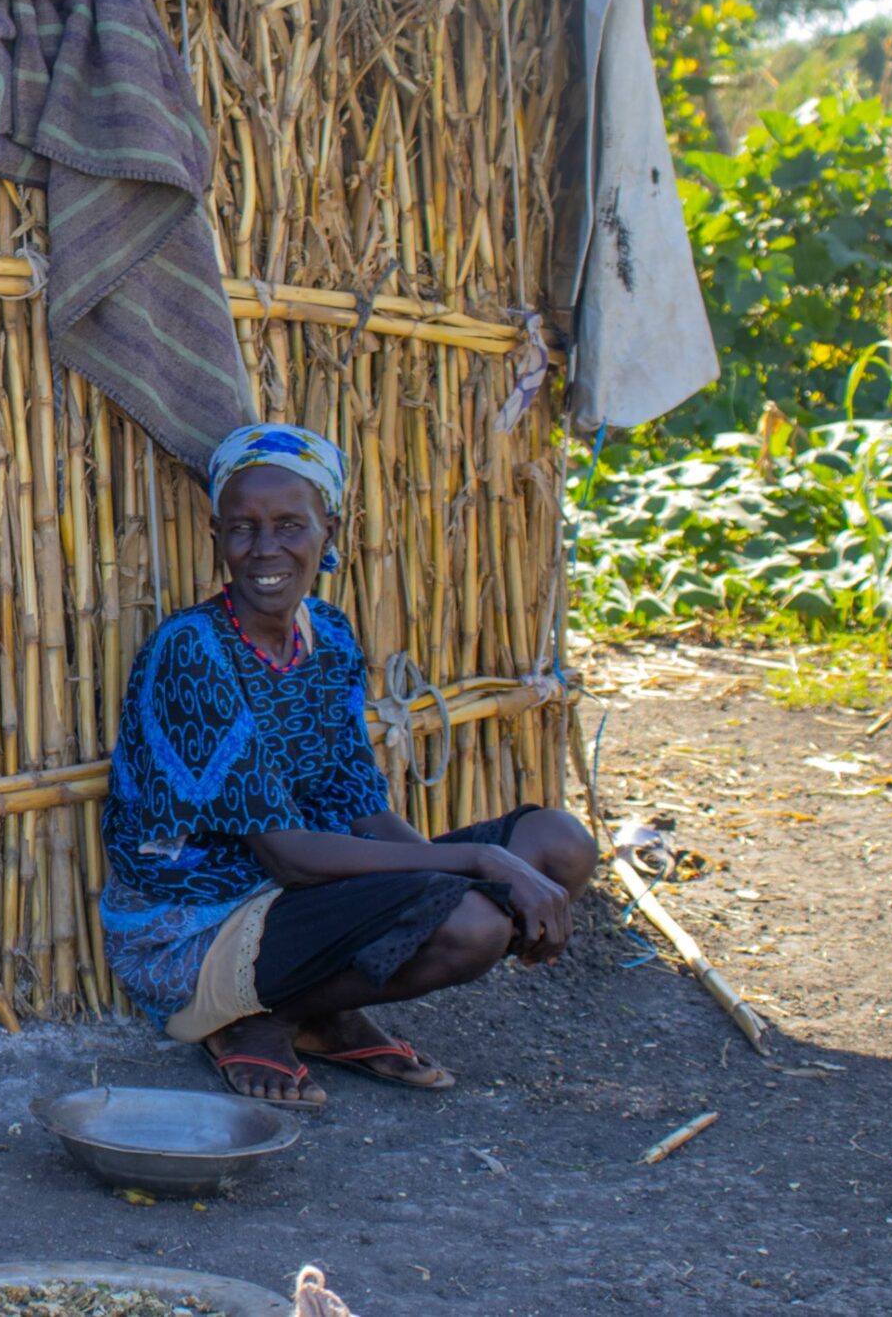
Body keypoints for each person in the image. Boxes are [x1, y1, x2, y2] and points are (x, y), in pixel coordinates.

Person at [98, 423, 596, 1110]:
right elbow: (289, 856)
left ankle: (320, 1012)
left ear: (329, 529)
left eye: (289, 525)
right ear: (216, 536)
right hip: (199, 928)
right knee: (475, 923)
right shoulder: (192, 652)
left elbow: (358, 802)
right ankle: (264, 1018)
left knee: (558, 845)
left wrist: (447, 884)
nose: (264, 548)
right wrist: (476, 868)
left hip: (301, 905)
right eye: (242, 528)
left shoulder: (327, 636)